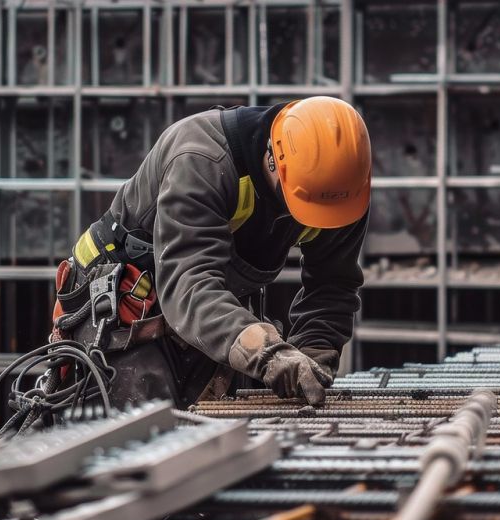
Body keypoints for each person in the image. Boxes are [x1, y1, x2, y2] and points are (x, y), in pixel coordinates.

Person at [49, 96, 372, 409]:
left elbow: (332, 284)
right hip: (126, 301)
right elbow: (189, 285)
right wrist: (265, 351)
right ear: (274, 158)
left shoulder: (342, 193)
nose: (315, 219)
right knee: (142, 428)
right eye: (303, 204)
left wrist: (313, 354)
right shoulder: (201, 159)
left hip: (208, 305)